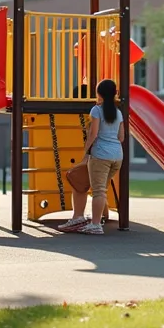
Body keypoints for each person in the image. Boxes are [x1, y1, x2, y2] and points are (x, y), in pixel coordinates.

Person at [57, 79, 126, 236]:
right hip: (117, 157)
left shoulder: (97, 110)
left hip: (100, 156)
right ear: (115, 93)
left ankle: (95, 224)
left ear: (98, 94)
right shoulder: (119, 112)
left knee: (98, 191)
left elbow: (93, 134)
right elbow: (121, 137)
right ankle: (79, 217)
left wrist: (86, 152)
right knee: (94, 187)